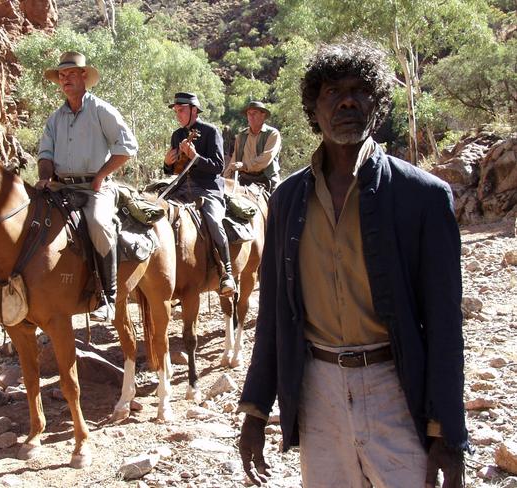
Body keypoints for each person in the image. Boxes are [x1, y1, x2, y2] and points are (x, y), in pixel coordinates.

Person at [238, 40, 468, 487]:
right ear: (313, 109)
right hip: (316, 390)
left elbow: (444, 325)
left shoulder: (421, 197)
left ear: (377, 105)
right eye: (331, 92)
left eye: (360, 90)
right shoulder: (287, 200)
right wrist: (255, 409)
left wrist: (448, 432)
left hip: (396, 389)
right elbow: (275, 317)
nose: (346, 100)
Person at [36, 51, 138, 322]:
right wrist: (45, 177)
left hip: (96, 187)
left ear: (84, 76)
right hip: (62, 187)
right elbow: (45, 154)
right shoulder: (55, 118)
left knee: (97, 223)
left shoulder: (100, 110)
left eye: (71, 74)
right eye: (61, 75)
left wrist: (102, 174)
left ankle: (108, 296)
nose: (65, 79)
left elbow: (128, 147)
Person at [163, 92, 236, 296]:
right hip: (180, 188)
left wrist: (195, 157)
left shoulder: (211, 132)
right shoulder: (177, 135)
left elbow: (218, 166)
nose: (178, 114)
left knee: (214, 221)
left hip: (207, 188)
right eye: (176, 111)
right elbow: (175, 170)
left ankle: (226, 272)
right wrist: (167, 164)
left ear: (194, 110)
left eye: (181, 110)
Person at [224, 100, 281, 193]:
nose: (251, 116)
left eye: (254, 113)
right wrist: (226, 178)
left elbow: (266, 157)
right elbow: (235, 159)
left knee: (279, 201)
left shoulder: (272, 134)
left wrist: (245, 165)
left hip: (266, 178)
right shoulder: (241, 135)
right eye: (249, 114)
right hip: (244, 178)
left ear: (263, 115)